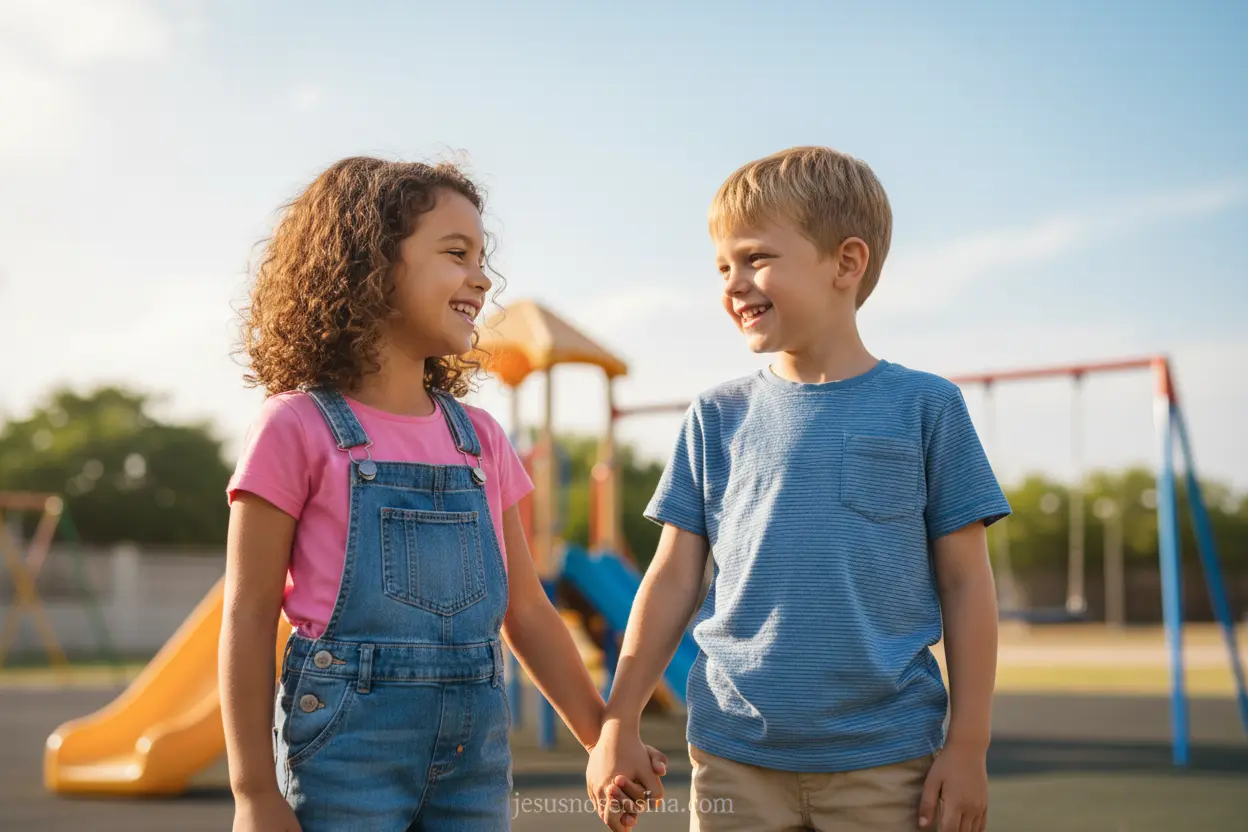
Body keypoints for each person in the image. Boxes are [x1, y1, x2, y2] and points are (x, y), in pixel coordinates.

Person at [220, 156, 665, 831]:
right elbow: (248, 615)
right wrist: (254, 792)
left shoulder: (480, 439)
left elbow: (529, 612)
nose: (482, 278)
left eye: (483, 257)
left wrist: (601, 735)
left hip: (474, 760)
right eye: (456, 253)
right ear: (369, 267)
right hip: (345, 754)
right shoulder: (295, 427)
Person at [586, 146, 1011, 832]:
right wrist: (619, 719)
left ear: (846, 262)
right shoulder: (715, 415)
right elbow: (671, 578)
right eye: (723, 266)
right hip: (733, 756)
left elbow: (967, 585)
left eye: (755, 257)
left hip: (888, 761)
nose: (734, 282)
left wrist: (968, 747)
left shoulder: (928, 409)